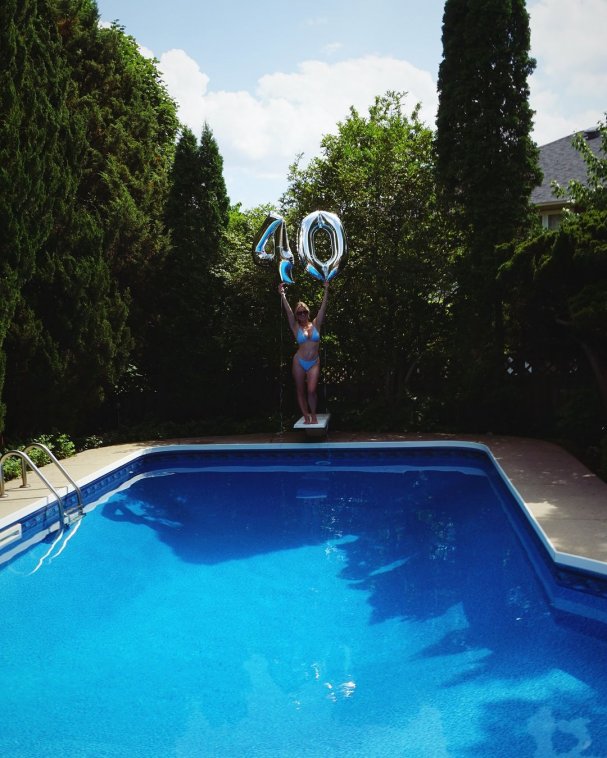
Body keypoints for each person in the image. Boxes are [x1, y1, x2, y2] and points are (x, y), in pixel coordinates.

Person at [278, 280, 329, 424]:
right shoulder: (295, 326)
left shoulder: (316, 323)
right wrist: (282, 295)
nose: (302, 315)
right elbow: (288, 312)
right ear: (297, 315)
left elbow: (323, 308)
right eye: (299, 313)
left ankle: (313, 415)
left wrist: (326, 290)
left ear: (308, 312)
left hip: (314, 362)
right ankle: (306, 416)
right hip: (299, 362)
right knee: (300, 390)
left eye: (304, 312)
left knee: (311, 390)